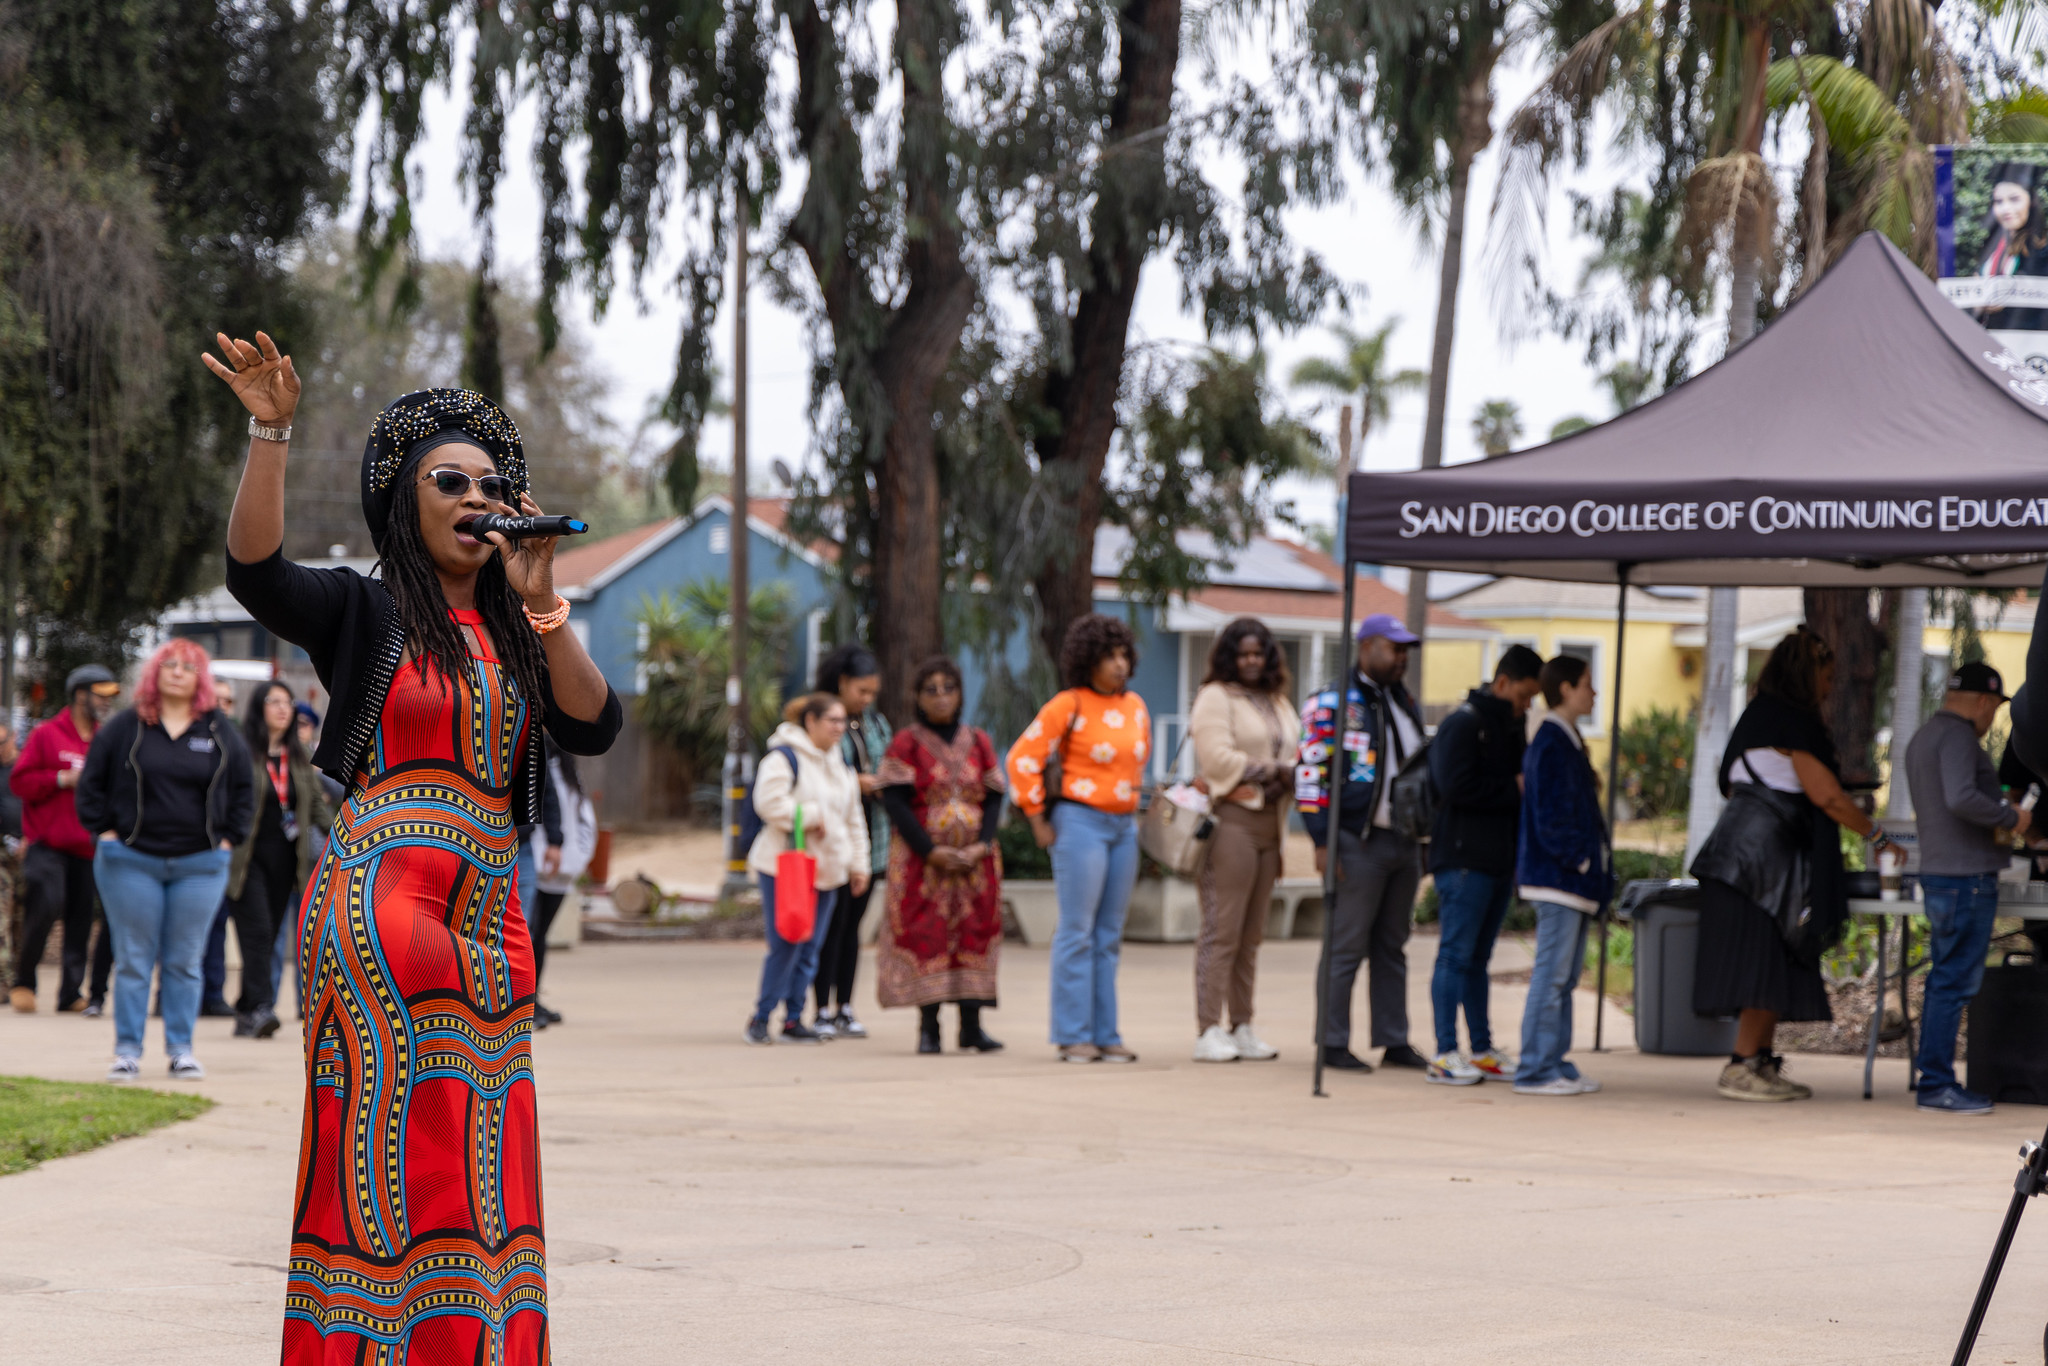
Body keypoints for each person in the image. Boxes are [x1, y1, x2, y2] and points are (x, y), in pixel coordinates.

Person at [208, 331, 622, 1363]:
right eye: (452, 480)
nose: (477, 496)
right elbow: (253, 570)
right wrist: (271, 429)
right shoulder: (367, 607)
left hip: (491, 916)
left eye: (493, 483)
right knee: (399, 1160)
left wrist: (543, 605)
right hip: (383, 905)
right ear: (405, 495)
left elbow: (592, 725)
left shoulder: (527, 628)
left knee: (489, 1158)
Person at [1690, 627, 1895, 1103]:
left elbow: (1732, 787)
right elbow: (1827, 796)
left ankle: (1758, 1061)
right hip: (1760, 869)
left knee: (1772, 961)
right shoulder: (1791, 725)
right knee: (1766, 962)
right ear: (1807, 677)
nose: (1829, 687)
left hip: (1737, 863)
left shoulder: (1755, 719)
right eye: (1826, 676)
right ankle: (1742, 1066)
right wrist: (1878, 836)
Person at [75, 638, 255, 1081]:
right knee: (135, 958)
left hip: (200, 865)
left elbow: (244, 790)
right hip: (131, 862)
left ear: (200, 679)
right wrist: (107, 833)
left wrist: (230, 839)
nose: (177, 671)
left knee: (184, 960)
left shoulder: (218, 730)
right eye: (169, 664)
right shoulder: (125, 726)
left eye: (187, 666)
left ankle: (180, 1049)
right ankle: (128, 1052)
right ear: (155, 673)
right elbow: (90, 783)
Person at [1007, 614, 1151, 1064]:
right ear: (1088, 660)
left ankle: (1106, 1034)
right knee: (1078, 931)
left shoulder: (1137, 708)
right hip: (1080, 823)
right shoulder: (1068, 704)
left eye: (1124, 654)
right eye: (1109, 656)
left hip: (1124, 827)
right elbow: (1021, 759)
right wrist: (1036, 818)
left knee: (1109, 934)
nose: (1119, 664)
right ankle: (1073, 1035)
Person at [1297, 614, 1431, 1074]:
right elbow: (1311, 771)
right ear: (1367, 646)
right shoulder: (1331, 702)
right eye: (1394, 650)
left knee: (1393, 945)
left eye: (1404, 651)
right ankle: (1331, 1042)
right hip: (1357, 841)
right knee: (1346, 944)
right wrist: (1321, 838)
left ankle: (1393, 1038)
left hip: (1404, 841)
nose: (1401, 659)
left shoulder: (1404, 701)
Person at [1903, 662, 2026, 1116]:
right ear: (1983, 702)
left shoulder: (1923, 737)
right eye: (1994, 708)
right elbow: (1959, 797)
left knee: (1943, 978)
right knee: (1953, 982)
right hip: (1966, 880)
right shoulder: (1958, 739)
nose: (1993, 718)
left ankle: (1933, 1081)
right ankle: (1936, 1084)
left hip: (1940, 875)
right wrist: (2011, 817)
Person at [1425, 644, 1544, 1085]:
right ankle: (1443, 1052)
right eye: (1523, 696)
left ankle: (1481, 1049)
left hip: (1497, 861)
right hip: (1461, 862)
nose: (1526, 706)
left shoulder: (1511, 728)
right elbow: (1454, 787)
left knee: (1478, 959)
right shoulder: (1463, 724)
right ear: (1502, 683)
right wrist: (1513, 787)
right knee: (1454, 956)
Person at [876, 656, 1006, 1054]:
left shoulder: (979, 740)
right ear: (917, 697)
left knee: (973, 933)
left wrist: (982, 844)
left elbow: (995, 795)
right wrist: (930, 851)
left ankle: (972, 1026)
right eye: (931, 689)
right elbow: (895, 801)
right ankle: (929, 1029)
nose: (941, 697)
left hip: (974, 863)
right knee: (926, 936)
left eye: (948, 688)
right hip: (923, 863)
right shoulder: (906, 743)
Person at [1187, 618, 1299, 1064]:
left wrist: (1283, 771)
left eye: (1258, 653)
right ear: (1229, 656)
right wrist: (1275, 771)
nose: (1251, 661)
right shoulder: (1215, 696)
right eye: (1243, 653)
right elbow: (1216, 757)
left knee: (1252, 933)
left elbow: (1299, 753)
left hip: (1273, 825)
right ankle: (1208, 1027)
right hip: (1232, 822)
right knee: (1223, 927)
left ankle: (1243, 1023)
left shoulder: (1277, 700)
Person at [745, 692, 868, 1044]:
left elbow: (853, 819)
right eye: (832, 720)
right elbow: (768, 804)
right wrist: (812, 816)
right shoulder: (784, 757)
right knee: (786, 944)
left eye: (843, 721)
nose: (839, 728)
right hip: (787, 868)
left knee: (811, 948)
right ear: (810, 721)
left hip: (829, 871)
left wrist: (858, 864)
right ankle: (761, 1016)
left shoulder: (841, 764)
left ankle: (794, 1019)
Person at [1512, 655, 1610, 1096]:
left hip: (1570, 880)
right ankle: (1534, 1069)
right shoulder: (1551, 740)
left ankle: (1554, 1061)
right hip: (1558, 880)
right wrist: (1581, 860)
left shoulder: (1563, 737)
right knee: (1551, 976)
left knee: (1564, 978)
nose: (1594, 692)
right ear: (1566, 688)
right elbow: (1550, 814)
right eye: (1588, 684)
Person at [9, 664, 119, 1014]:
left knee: (81, 919)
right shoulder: (46, 734)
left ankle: (70, 993)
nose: (105, 702)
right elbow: (19, 782)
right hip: (47, 845)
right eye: (100, 695)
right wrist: (60, 779)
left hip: (88, 846)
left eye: (109, 696)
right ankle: (25, 981)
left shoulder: (107, 738)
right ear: (79, 694)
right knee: (46, 904)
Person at [223, 680, 329, 1041]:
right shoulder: (240, 751)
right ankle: (263, 1008)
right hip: (246, 859)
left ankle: (245, 1009)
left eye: (289, 703)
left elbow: (314, 805)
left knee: (265, 941)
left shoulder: (297, 755)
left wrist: (344, 835)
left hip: (287, 862)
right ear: (258, 708)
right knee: (259, 931)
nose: (284, 709)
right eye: (275, 701)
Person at [811, 644, 899, 1039]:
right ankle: (819, 1009)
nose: (866, 699)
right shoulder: (823, 720)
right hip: (832, 840)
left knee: (853, 930)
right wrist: (854, 783)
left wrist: (886, 780)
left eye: (871, 693)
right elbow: (816, 773)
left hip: (872, 840)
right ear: (842, 684)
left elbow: (890, 760)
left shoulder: (876, 723)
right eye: (861, 691)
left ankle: (845, 1006)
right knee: (830, 927)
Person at [530, 737, 597, 1028]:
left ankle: (533, 1000)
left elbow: (585, 819)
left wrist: (577, 858)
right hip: (534, 863)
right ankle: (527, 1002)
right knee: (529, 936)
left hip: (561, 871)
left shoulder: (569, 773)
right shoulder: (535, 763)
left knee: (539, 936)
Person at [1975, 166, 2048, 331]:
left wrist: (2005, 301)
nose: (2006, 209)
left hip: (2030, 342)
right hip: (1988, 337)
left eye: (2014, 199)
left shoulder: (2042, 248)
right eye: (1999, 202)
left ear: (2031, 201)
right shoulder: (1991, 247)